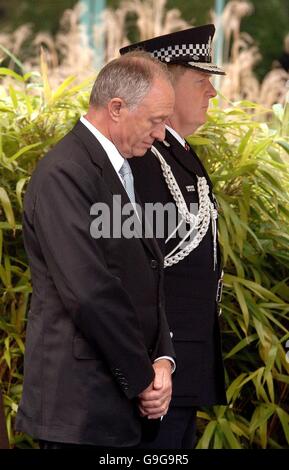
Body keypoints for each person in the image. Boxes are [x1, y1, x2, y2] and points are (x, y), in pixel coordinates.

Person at [15, 51, 176, 448]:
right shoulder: (64, 173)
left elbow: (146, 275)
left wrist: (162, 360)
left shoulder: (122, 168)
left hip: (111, 408)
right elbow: (89, 292)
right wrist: (141, 377)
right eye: (156, 121)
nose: (160, 134)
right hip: (81, 408)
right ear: (117, 108)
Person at [120, 24, 227, 449]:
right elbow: (136, 267)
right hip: (160, 366)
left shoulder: (179, 154)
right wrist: (151, 362)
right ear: (163, 84)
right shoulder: (147, 158)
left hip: (183, 359)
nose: (212, 93)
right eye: (201, 81)